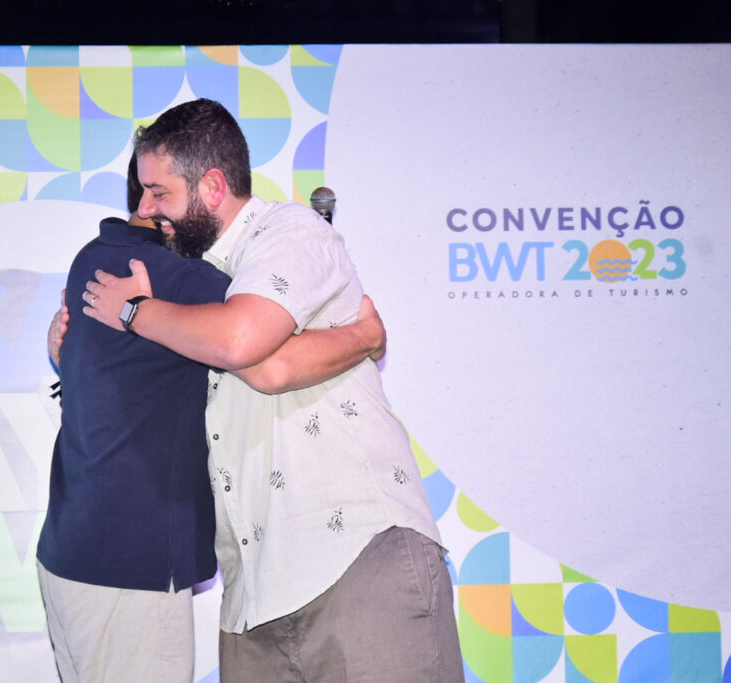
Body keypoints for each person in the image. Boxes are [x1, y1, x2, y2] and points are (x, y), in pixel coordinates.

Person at [82, 99, 465, 682]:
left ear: (212, 186)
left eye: (158, 194)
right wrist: (77, 346)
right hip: (252, 600)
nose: (142, 210)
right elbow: (225, 371)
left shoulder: (290, 232)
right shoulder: (180, 281)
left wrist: (136, 312)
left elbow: (245, 348)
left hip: (357, 561)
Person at [37, 153, 387, 682]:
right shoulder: (180, 278)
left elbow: (114, 377)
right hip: (129, 564)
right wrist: (364, 337)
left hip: (73, 553)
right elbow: (264, 357)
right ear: (155, 200)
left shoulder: (94, 257)